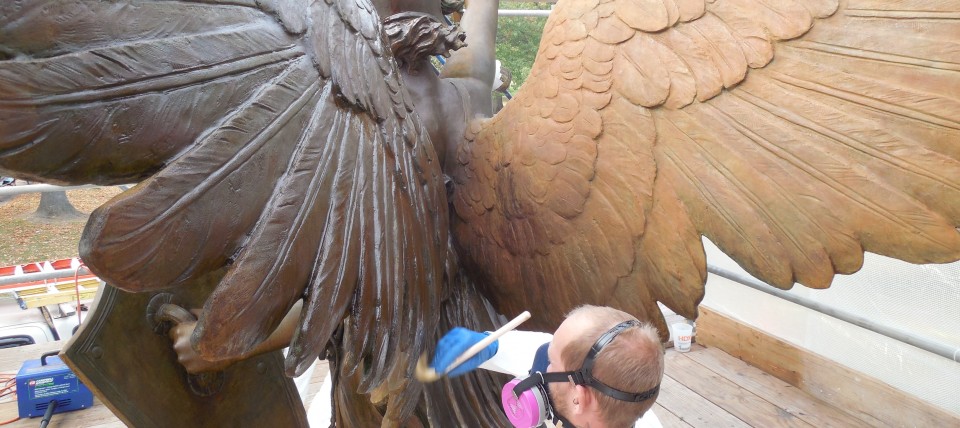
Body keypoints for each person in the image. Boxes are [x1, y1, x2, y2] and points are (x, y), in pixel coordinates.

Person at [430, 305, 665, 428]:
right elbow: (540, 348)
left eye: (550, 361)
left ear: (579, 399)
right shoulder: (625, 400)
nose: (542, 363)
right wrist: (492, 345)